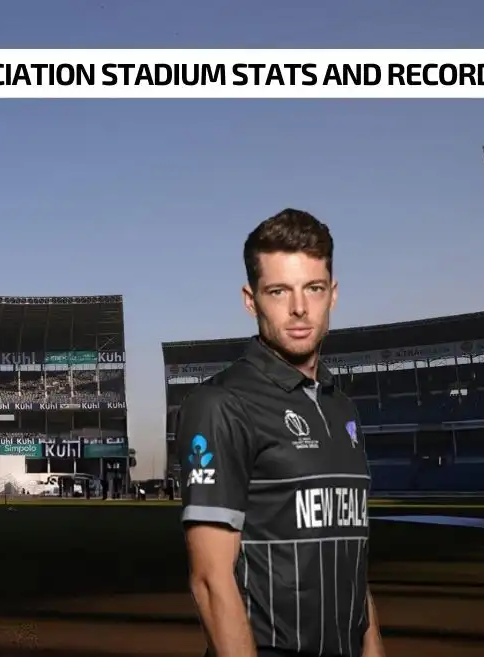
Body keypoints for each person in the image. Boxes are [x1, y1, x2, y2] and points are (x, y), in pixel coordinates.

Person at [178, 209, 384, 657]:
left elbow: (352, 566)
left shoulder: (343, 409)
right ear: (250, 300)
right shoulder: (220, 404)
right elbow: (210, 581)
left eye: (313, 288)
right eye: (279, 291)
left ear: (333, 294)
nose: (299, 308)